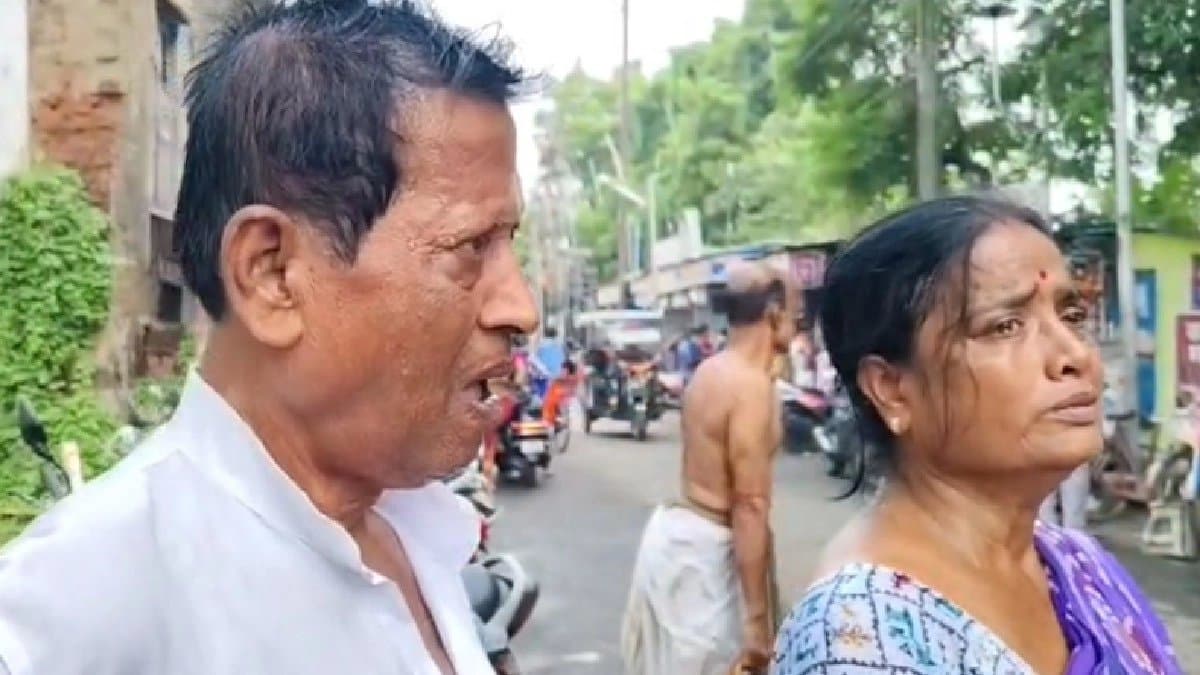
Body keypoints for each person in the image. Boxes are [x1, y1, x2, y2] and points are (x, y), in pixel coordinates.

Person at [0, 2, 538, 674]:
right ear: (273, 274)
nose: (521, 307)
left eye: (507, 241)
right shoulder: (78, 604)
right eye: (471, 245)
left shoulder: (416, 525)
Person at [774, 196, 1182, 674]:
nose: (1074, 354)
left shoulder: (1078, 566)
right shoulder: (858, 642)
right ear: (891, 389)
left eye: (1072, 317)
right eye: (1005, 326)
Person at [622, 260, 796, 675]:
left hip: (681, 545)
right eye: (797, 312)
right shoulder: (750, 388)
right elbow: (750, 505)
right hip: (708, 565)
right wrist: (757, 625)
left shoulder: (710, 371)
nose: (800, 324)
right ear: (774, 313)